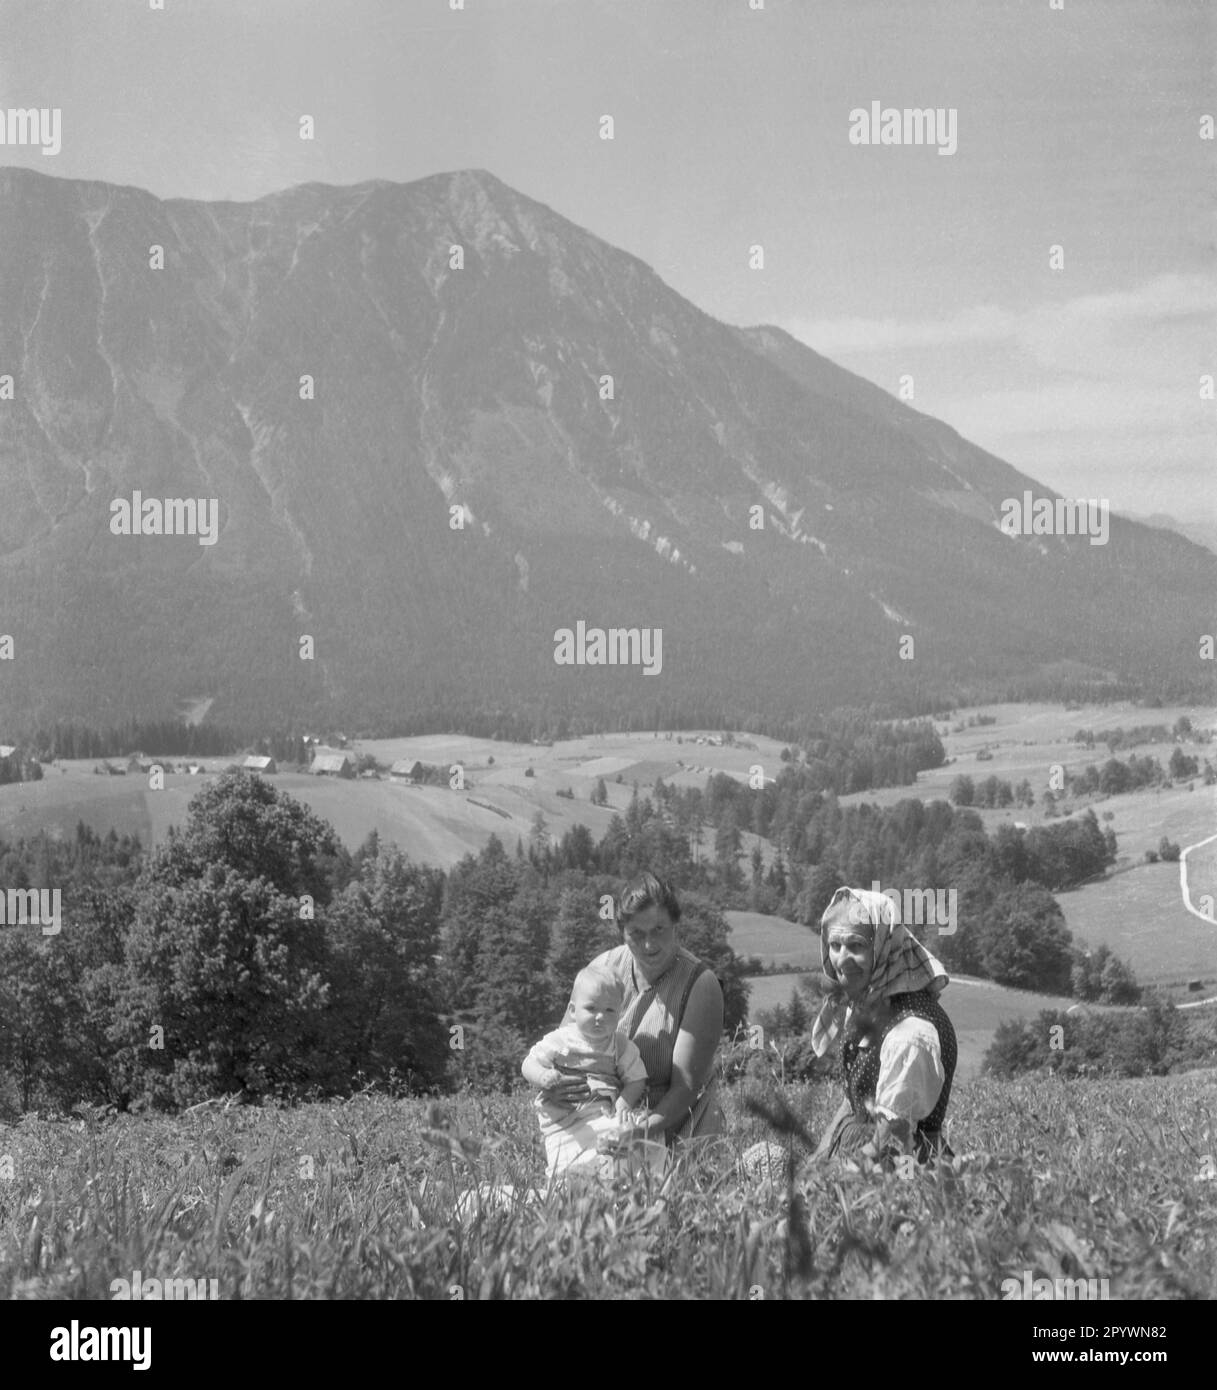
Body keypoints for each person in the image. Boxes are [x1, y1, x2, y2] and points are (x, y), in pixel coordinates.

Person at [537, 872, 725, 1154]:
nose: (649, 945)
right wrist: (555, 1084)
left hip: (680, 1130)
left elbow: (686, 1088)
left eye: (659, 930)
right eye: (637, 934)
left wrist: (639, 1132)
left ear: (676, 926)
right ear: (622, 931)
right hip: (603, 1126)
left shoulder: (701, 985)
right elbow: (565, 1044)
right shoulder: (605, 968)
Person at [808, 886, 957, 1167]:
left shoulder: (910, 1033)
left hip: (904, 1171)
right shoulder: (870, 1003)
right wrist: (817, 1160)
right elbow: (853, 1103)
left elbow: (893, 1138)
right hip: (861, 1156)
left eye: (856, 946)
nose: (842, 959)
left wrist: (834, 1180)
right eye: (835, 945)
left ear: (884, 947)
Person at [522, 964, 649, 1183]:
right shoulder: (561, 1039)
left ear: (620, 1013)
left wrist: (624, 1103)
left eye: (610, 1010)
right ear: (572, 1011)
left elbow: (637, 1079)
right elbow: (529, 1063)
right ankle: (567, 1184)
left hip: (602, 1116)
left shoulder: (620, 1046)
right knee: (567, 1163)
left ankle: (625, 1182)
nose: (600, 1017)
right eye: (591, 1008)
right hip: (563, 1122)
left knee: (639, 1130)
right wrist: (543, 1077)